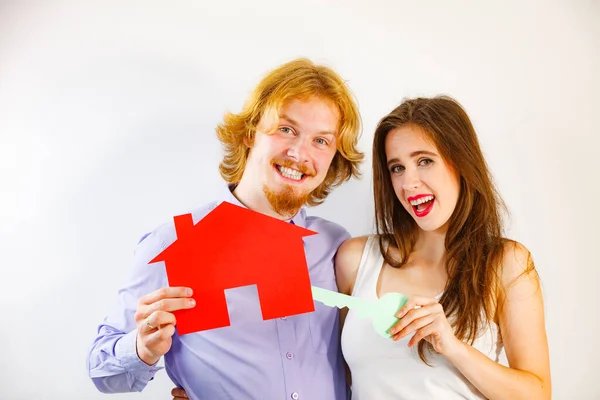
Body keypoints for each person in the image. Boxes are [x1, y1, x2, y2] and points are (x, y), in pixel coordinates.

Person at [87, 58, 364, 400]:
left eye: (321, 141)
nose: (299, 153)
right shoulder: (173, 244)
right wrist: (143, 347)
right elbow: (102, 371)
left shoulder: (337, 247)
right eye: (286, 129)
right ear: (250, 133)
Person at [335, 96, 551, 399]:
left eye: (424, 161)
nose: (408, 183)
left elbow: (538, 394)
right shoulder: (356, 260)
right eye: (397, 168)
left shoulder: (506, 264)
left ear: (461, 163)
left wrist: (451, 346)